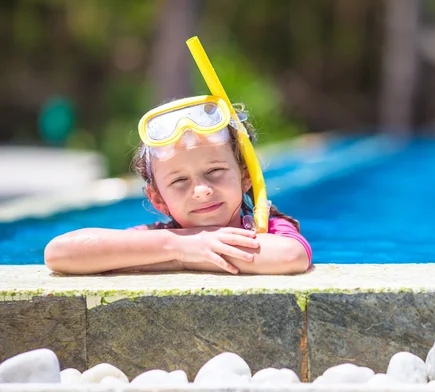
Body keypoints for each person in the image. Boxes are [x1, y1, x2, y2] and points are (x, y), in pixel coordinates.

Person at [44, 96, 312, 275]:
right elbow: (59, 252)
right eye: (180, 180)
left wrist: (182, 258)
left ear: (245, 176)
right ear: (158, 199)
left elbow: (291, 256)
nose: (201, 190)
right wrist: (179, 248)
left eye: (215, 171)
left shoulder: (264, 228)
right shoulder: (161, 236)